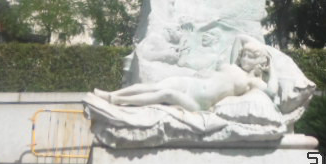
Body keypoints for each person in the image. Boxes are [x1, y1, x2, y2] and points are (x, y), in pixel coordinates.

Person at [94, 35, 274, 112]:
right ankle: (111, 94)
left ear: (261, 62)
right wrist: (256, 48)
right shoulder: (233, 65)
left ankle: (116, 100)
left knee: (166, 94)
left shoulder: (252, 82)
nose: (245, 59)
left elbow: (272, 91)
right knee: (155, 86)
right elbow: (240, 38)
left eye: (251, 57)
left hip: (199, 102)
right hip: (191, 83)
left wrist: (270, 63)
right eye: (244, 55)